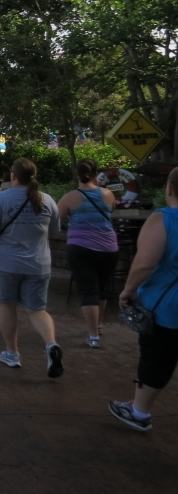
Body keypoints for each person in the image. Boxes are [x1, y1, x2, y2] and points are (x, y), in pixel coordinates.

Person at [0, 158, 63, 378]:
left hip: (7, 263)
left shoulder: (1, 199)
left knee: (7, 306)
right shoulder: (47, 200)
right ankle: (51, 345)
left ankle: (12, 353)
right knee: (37, 310)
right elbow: (54, 229)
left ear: (13, 176)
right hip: (39, 264)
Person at [110, 166, 178, 431]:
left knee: (157, 359)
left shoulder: (164, 219)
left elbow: (144, 263)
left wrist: (128, 290)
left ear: (169, 189)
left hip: (167, 307)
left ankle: (138, 412)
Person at [56, 159, 117, 348]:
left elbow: (56, 220)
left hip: (80, 248)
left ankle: (93, 336)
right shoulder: (108, 194)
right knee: (102, 287)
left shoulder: (69, 198)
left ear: (77, 174)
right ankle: (97, 326)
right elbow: (111, 211)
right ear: (95, 174)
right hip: (108, 247)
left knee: (88, 291)